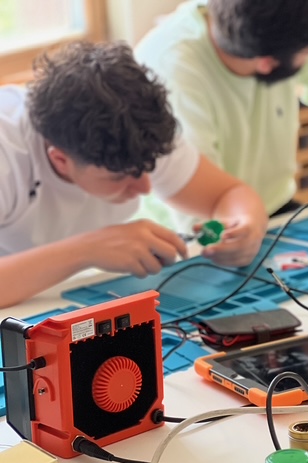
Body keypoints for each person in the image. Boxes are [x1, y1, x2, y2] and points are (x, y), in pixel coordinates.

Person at [0, 41, 268, 308]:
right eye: (119, 177)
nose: (145, 188)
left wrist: (245, 228)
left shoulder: (139, 129)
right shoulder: (7, 154)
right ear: (60, 160)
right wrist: (87, 250)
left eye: (149, 168)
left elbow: (228, 194)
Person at [134, 0, 308, 220]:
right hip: (190, 228)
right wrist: (228, 239)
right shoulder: (172, 72)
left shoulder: (283, 20)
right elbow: (198, 212)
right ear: (266, 63)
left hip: (270, 208)